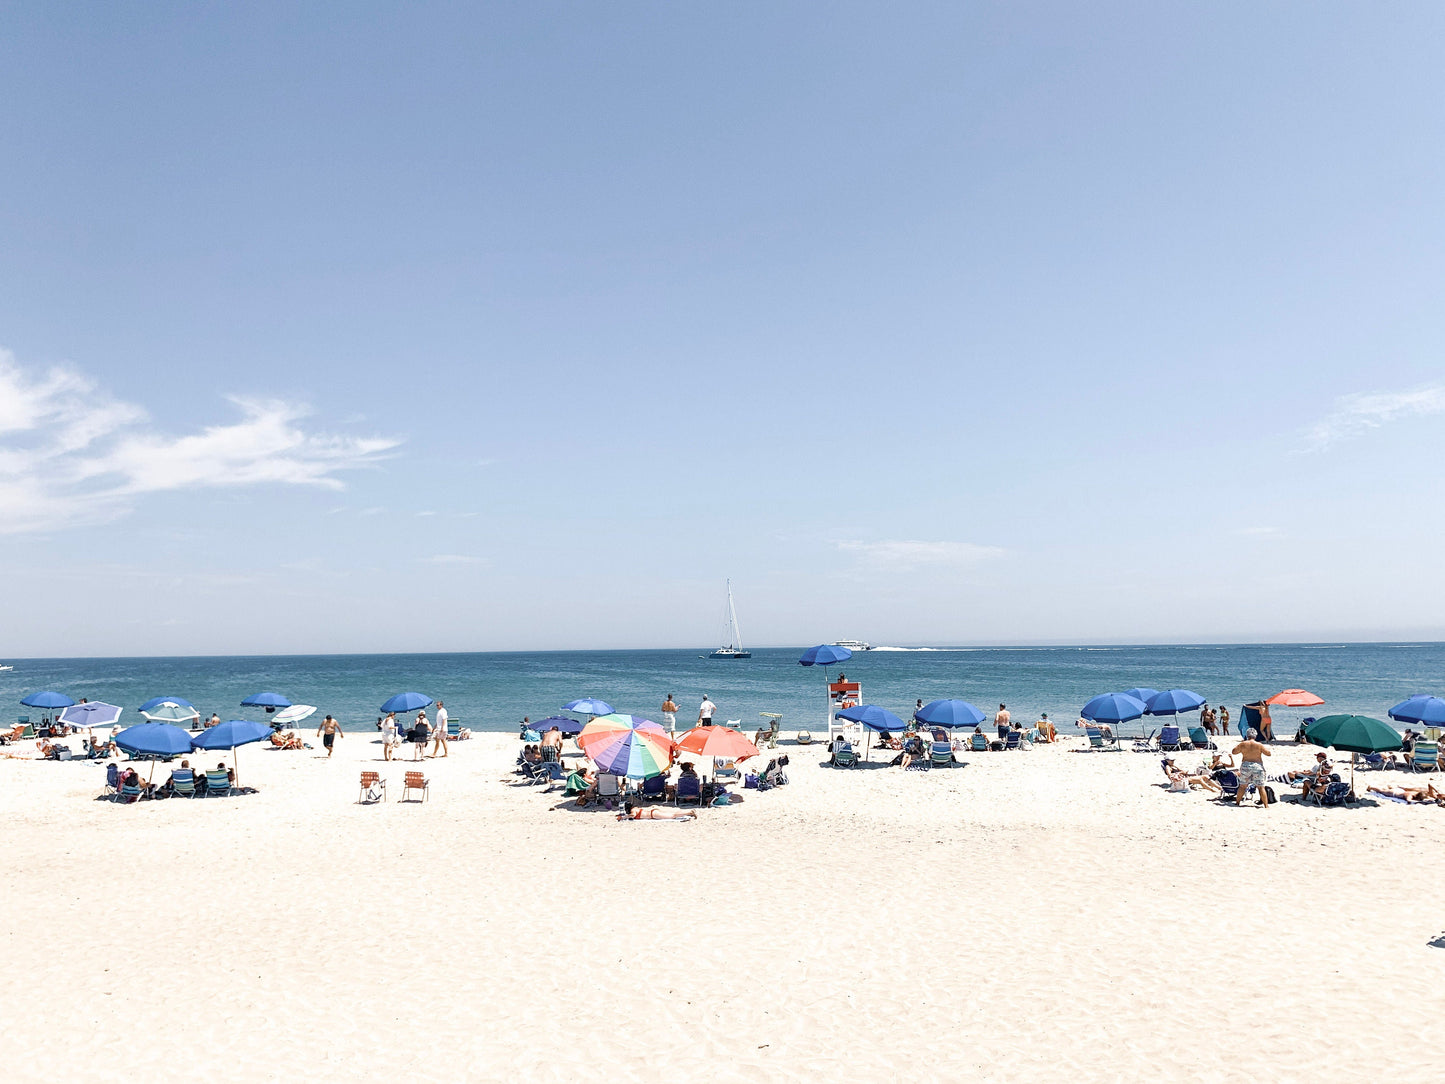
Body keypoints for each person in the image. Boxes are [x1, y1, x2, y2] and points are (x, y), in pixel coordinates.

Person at [1232, 728, 1272, 807]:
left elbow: (1234, 752)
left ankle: (1237, 802)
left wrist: (1241, 747)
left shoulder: (1243, 744)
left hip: (1246, 765)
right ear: (1255, 735)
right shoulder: (1259, 745)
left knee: (1243, 786)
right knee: (1261, 787)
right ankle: (1266, 805)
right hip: (1257, 766)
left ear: (1247, 735)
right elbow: (1268, 754)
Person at [618, 800, 697, 821]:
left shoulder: (633, 811)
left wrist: (623, 817)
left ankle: (690, 812)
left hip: (653, 814)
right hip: (653, 811)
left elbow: (633, 815)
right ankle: (689, 812)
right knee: (673, 813)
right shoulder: (635, 808)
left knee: (673, 816)